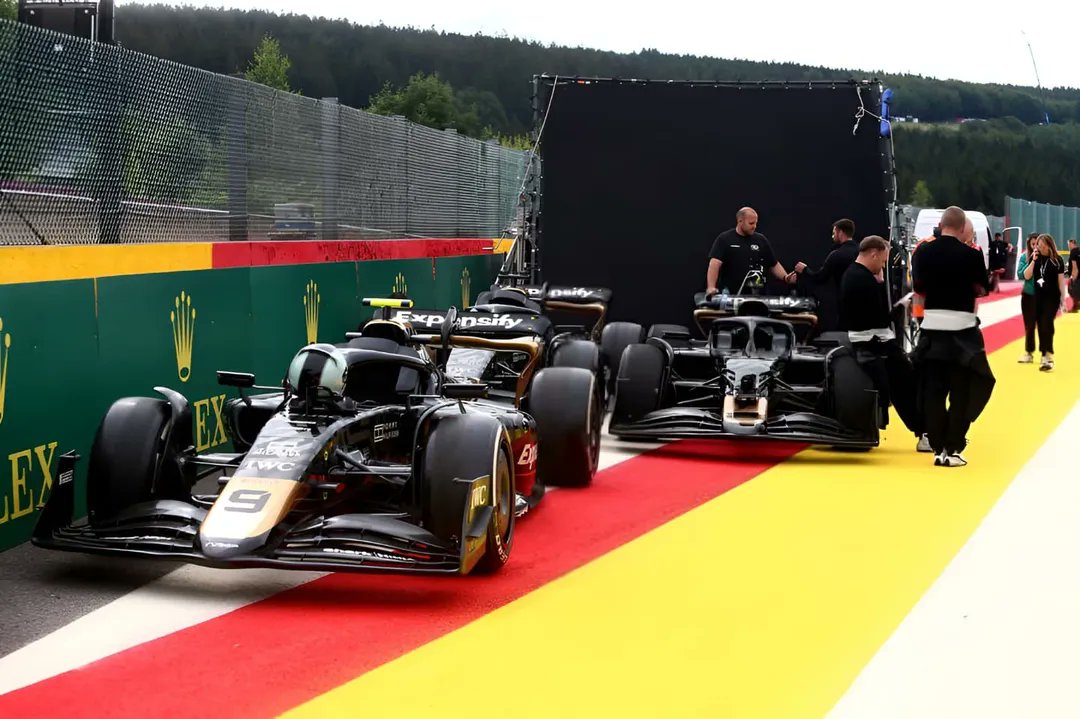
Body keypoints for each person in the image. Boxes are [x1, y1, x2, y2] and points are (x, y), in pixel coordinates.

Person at [910, 206, 995, 467]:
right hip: (962, 331)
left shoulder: (923, 251)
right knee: (963, 391)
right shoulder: (971, 255)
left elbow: (919, 288)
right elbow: (982, 289)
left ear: (941, 224)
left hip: (933, 328)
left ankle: (936, 448)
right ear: (961, 228)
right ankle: (953, 447)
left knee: (933, 391)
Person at [838, 235, 926, 450]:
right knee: (906, 384)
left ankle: (922, 430)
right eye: (884, 260)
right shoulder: (863, 279)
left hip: (867, 339)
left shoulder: (852, 274)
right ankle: (923, 432)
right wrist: (900, 307)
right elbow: (879, 317)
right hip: (876, 342)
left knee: (903, 383)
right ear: (874, 254)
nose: (884, 265)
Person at [706, 207, 796, 295]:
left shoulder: (761, 240)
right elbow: (714, 264)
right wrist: (711, 287)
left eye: (756, 223)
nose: (754, 226)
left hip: (758, 293)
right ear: (740, 221)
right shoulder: (725, 239)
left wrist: (785, 277)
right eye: (751, 223)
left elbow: (773, 264)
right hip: (732, 293)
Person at [793, 218, 859, 331]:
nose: (832, 236)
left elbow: (819, 278)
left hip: (844, 303)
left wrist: (804, 270)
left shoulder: (837, 255)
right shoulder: (861, 252)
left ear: (840, 232)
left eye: (834, 233)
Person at [1022, 233, 1067, 371]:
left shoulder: (1057, 260)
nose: (1039, 248)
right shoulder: (1035, 257)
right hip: (1038, 297)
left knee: (1046, 322)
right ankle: (1043, 354)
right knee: (1039, 325)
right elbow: (1026, 275)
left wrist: (1063, 300)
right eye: (1037, 246)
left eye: (1041, 246)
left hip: (1052, 297)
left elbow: (1061, 281)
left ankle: (1047, 354)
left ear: (1049, 245)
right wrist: (1034, 260)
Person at [1017, 233, 1039, 363]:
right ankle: (1029, 353)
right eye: (1033, 244)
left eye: (1038, 244)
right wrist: (1031, 261)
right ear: (1029, 244)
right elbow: (1021, 275)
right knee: (1030, 326)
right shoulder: (1024, 257)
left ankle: (1046, 354)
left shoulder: (1049, 258)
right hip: (1029, 296)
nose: (1036, 246)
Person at [1067, 238, 1079, 312]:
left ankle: (1075, 307)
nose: (1068, 246)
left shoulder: (1073, 252)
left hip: (1077, 276)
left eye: (1069, 244)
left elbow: (1075, 268)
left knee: (1072, 290)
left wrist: (1073, 278)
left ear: (1073, 243)